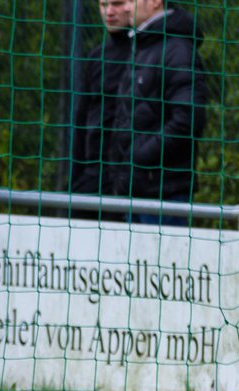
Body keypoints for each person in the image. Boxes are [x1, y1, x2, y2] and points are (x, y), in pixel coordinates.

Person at [103, 0, 208, 225]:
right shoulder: (144, 45)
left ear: (154, 2)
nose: (127, 8)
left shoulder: (177, 50)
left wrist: (138, 156)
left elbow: (187, 120)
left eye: (132, 1)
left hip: (164, 194)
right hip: (135, 189)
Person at [69, 0, 136, 209]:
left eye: (116, 4)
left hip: (130, 176)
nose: (109, 12)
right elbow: (81, 119)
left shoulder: (148, 54)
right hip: (93, 173)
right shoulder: (97, 57)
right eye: (103, 5)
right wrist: (77, 175)